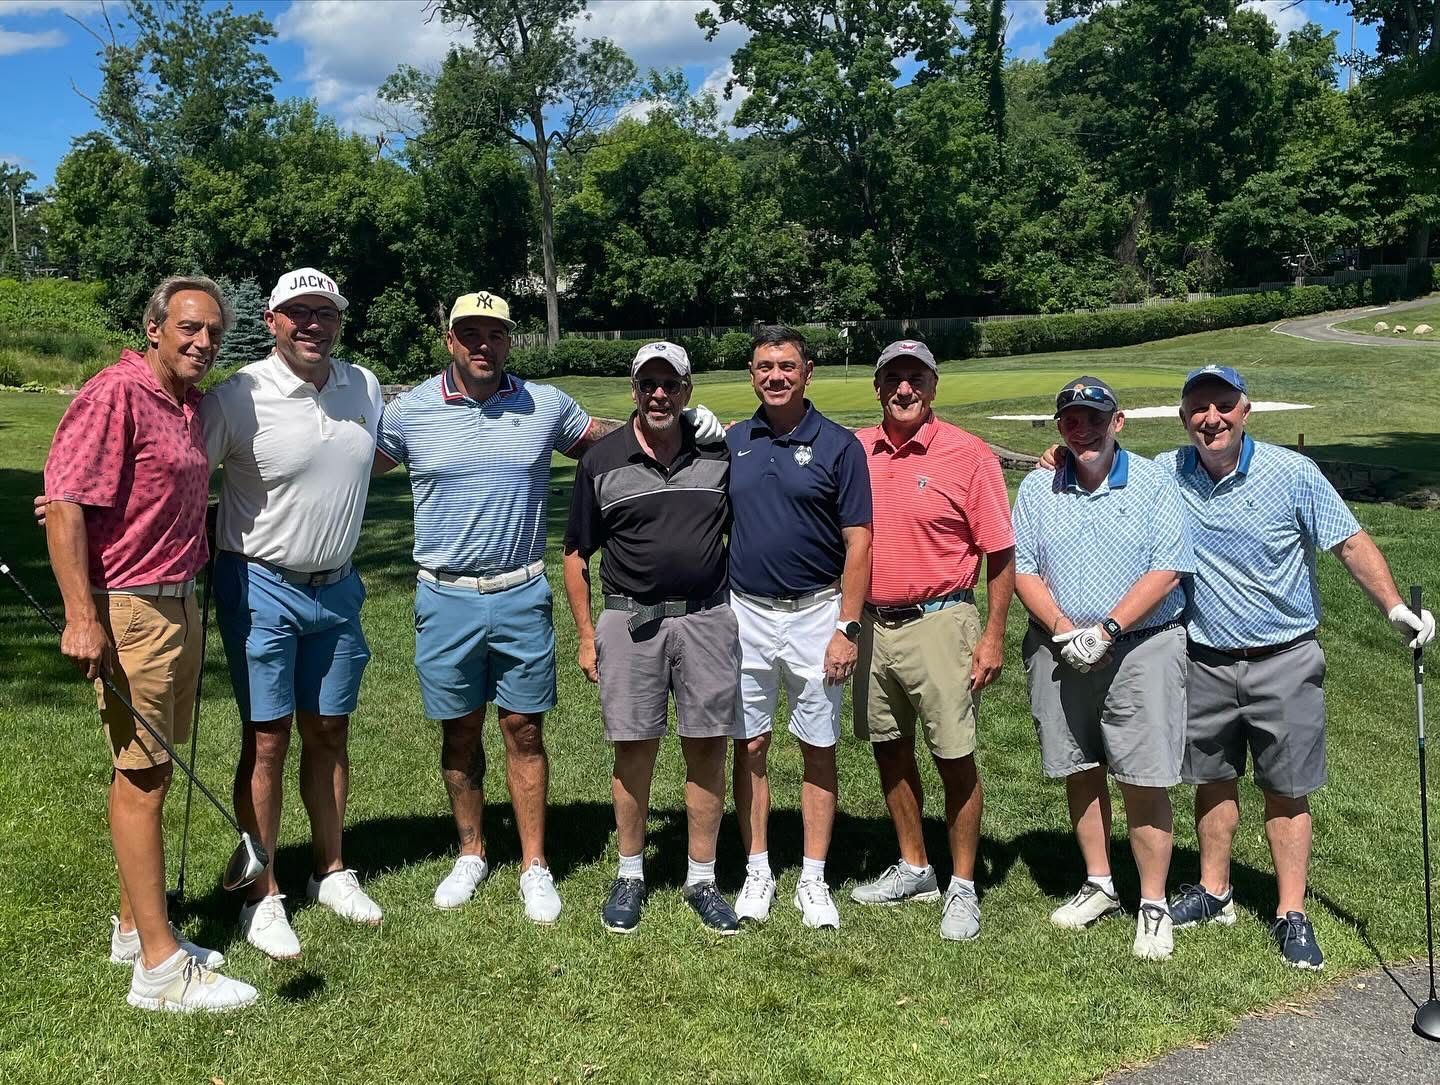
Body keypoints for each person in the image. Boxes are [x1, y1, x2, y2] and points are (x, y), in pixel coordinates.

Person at [1156, 365, 1434, 968]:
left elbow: (1349, 542)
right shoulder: (1165, 475)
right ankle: (1214, 890)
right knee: (1212, 779)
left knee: (1286, 788)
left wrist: (1392, 609)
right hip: (1203, 658)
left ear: (1245, 409)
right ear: (1183, 419)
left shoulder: (1293, 473)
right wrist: (1056, 457)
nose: (1212, 419)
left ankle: (1290, 911)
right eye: (1199, 409)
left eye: (1223, 406)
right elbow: (1106, 470)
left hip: (1283, 658)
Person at [42, 275, 257, 1011]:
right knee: (143, 776)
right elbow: (66, 502)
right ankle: (161, 971)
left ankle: (137, 927)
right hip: (129, 608)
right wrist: (82, 615)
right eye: (189, 328)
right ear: (154, 327)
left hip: (176, 600)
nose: (203, 342)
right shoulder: (118, 391)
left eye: (214, 333)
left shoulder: (188, 403)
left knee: (153, 768)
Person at [203, 267, 385, 959]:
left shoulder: (362, 386)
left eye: (325, 313)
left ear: (338, 321)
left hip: (338, 587)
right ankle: (264, 890)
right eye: (297, 313)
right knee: (269, 739)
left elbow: (373, 459)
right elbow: (183, 470)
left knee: (330, 729)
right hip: (260, 585)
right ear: (273, 321)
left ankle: (331, 870)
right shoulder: (239, 395)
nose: (312, 324)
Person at [1012, 376, 1194, 961]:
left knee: (1143, 775)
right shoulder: (1041, 487)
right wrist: (1065, 630)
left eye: (1094, 418)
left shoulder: (1154, 482)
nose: (1082, 429)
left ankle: (1154, 903)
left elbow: (1167, 568)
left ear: (1118, 422)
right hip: (1059, 645)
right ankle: (1099, 884)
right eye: (1070, 419)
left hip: (1141, 644)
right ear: (1059, 426)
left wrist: (1109, 628)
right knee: (1080, 765)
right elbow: (1023, 568)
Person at [563, 342, 741, 936]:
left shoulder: (719, 454)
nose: (659, 394)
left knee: (706, 745)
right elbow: (574, 556)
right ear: (633, 391)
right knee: (633, 747)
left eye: (671, 384)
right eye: (648, 385)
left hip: (707, 618)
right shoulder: (602, 460)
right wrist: (588, 636)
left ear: (688, 392)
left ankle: (702, 877)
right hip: (629, 620)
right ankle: (631, 872)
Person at [847, 339, 1015, 942]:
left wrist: (993, 635)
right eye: (893, 378)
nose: (904, 389)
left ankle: (963, 885)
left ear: (934, 385)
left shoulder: (968, 455)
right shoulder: (856, 449)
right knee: (889, 747)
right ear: (878, 386)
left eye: (916, 377)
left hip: (942, 620)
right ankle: (915, 864)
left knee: (953, 755)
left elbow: (1000, 552)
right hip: (872, 624)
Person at [726, 326, 872, 930]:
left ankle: (813, 876)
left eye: (787, 366)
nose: (776, 376)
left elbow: (859, 543)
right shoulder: (733, 441)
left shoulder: (839, 446)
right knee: (751, 744)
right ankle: (757, 868)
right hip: (746, 613)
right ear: (752, 374)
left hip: (818, 612)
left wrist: (848, 627)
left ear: (807, 372)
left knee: (818, 746)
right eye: (764, 367)